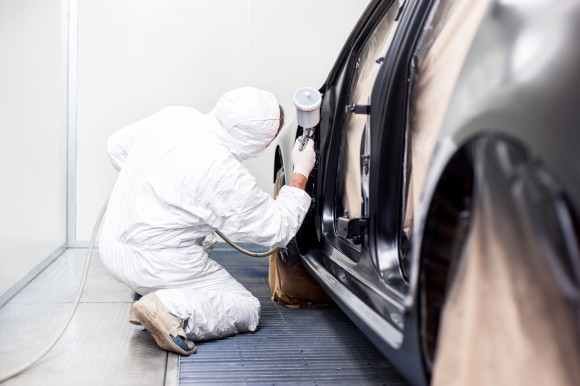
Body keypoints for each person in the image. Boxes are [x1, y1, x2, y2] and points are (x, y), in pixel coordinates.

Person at [99, 87, 316, 355]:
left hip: (109, 243)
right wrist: (302, 170)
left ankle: (151, 292)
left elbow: (116, 148)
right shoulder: (225, 173)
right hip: (156, 263)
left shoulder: (176, 116)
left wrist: (159, 189)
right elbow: (278, 229)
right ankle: (169, 307)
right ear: (258, 143)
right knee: (246, 307)